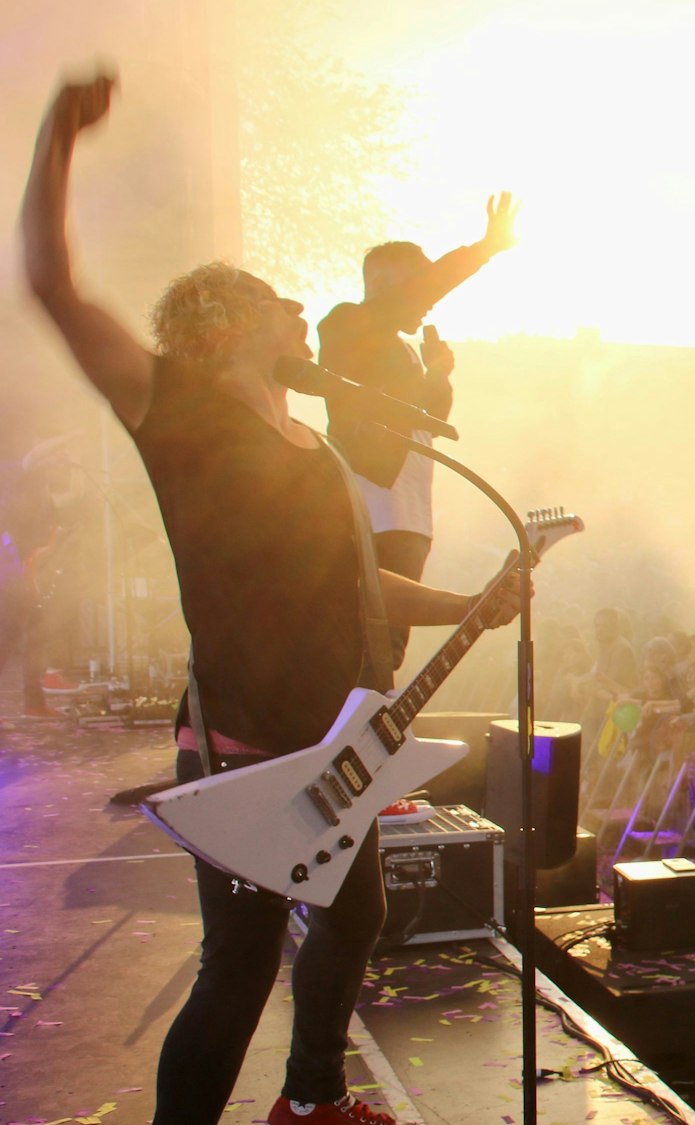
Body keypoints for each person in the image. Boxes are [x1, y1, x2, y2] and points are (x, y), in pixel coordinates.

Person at [21, 74, 523, 1125]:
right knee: (237, 969)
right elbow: (53, 285)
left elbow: (359, 585)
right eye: (284, 305)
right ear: (223, 320)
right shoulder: (178, 406)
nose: (305, 316)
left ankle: (310, 1102)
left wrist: (472, 599)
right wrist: (58, 136)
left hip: (330, 740)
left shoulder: (318, 449)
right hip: (245, 737)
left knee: (354, 921)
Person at [317, 193, 518, 670]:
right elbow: (415, 297)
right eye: (419, 282)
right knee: (368, 632)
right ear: (384, 283)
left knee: (390, 646)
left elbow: (429, 419)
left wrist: (437, 373)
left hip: (408, 511)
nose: (427, 302)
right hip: (371, 502)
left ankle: (369, 722)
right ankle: (349, 728)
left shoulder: (399, 348)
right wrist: (484, 248)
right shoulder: (348, 324)